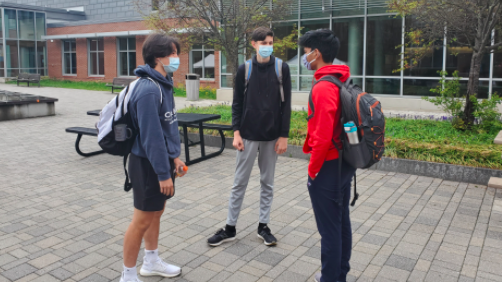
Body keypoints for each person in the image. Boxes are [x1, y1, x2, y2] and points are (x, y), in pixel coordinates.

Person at [207, 27, 292, 247]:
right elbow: (237, 104)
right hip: (247, 136)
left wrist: (284, 135)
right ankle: (230, 228)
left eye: (271, 42)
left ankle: (263, 227)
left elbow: (287, 105)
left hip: (272, 137)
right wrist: (236, 133)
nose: (268, 46)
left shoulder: (281, 68)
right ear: (253, 44)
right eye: (263, 43)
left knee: (267, 183)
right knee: (239, 183)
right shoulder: (245, 69)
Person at [119, 34, 186, 282]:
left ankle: (151, 261)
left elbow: (167, 126)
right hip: (147, 164)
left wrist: (175, 158)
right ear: (158, 57)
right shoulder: (148, 89)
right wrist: (162, 173)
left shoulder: (164, 82)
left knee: (156, 212)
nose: (177, 58)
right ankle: (127, 275)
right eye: (173, 53)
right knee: (141, 219)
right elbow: (151, 137)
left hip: (161, 162)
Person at [299, 29, 354, 282]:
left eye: (305, 52)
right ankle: (340, 274)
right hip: (344, 162)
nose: (304, 57)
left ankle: (330, 278)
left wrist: (313, 171)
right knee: (341, 223)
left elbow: (321, 137)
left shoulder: (323, 87)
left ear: (316, 52)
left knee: (329, 230)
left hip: (328, 166)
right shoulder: (340, 79)